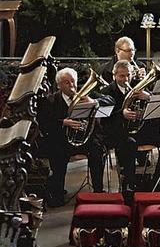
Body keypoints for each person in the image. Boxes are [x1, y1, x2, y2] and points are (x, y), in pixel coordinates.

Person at [37, 68, 113, 207]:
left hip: (87, 139)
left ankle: (98, 191)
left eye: (73, 81)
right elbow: (43, 123)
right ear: (59, 85)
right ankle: (58, 194)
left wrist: (94, 102)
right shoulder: (50, 100)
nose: (71, 85)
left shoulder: (86, 94)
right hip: (63, 141)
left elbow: (110, 100)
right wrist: (63, 122)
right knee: (57, 155)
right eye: (66, 82)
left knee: (97, 150)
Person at [99, 60, 139, 191]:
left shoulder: (137, 88)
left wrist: (147, 97)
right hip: (113, 131)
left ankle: (157, 182)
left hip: (133, 129)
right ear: (114, 76)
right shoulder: (106, 91)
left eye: (129, 75)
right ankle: (129, 181)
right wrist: (122, 114)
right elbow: (105, 118)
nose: (126, 79)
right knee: (130, 143)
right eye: (122, 76)